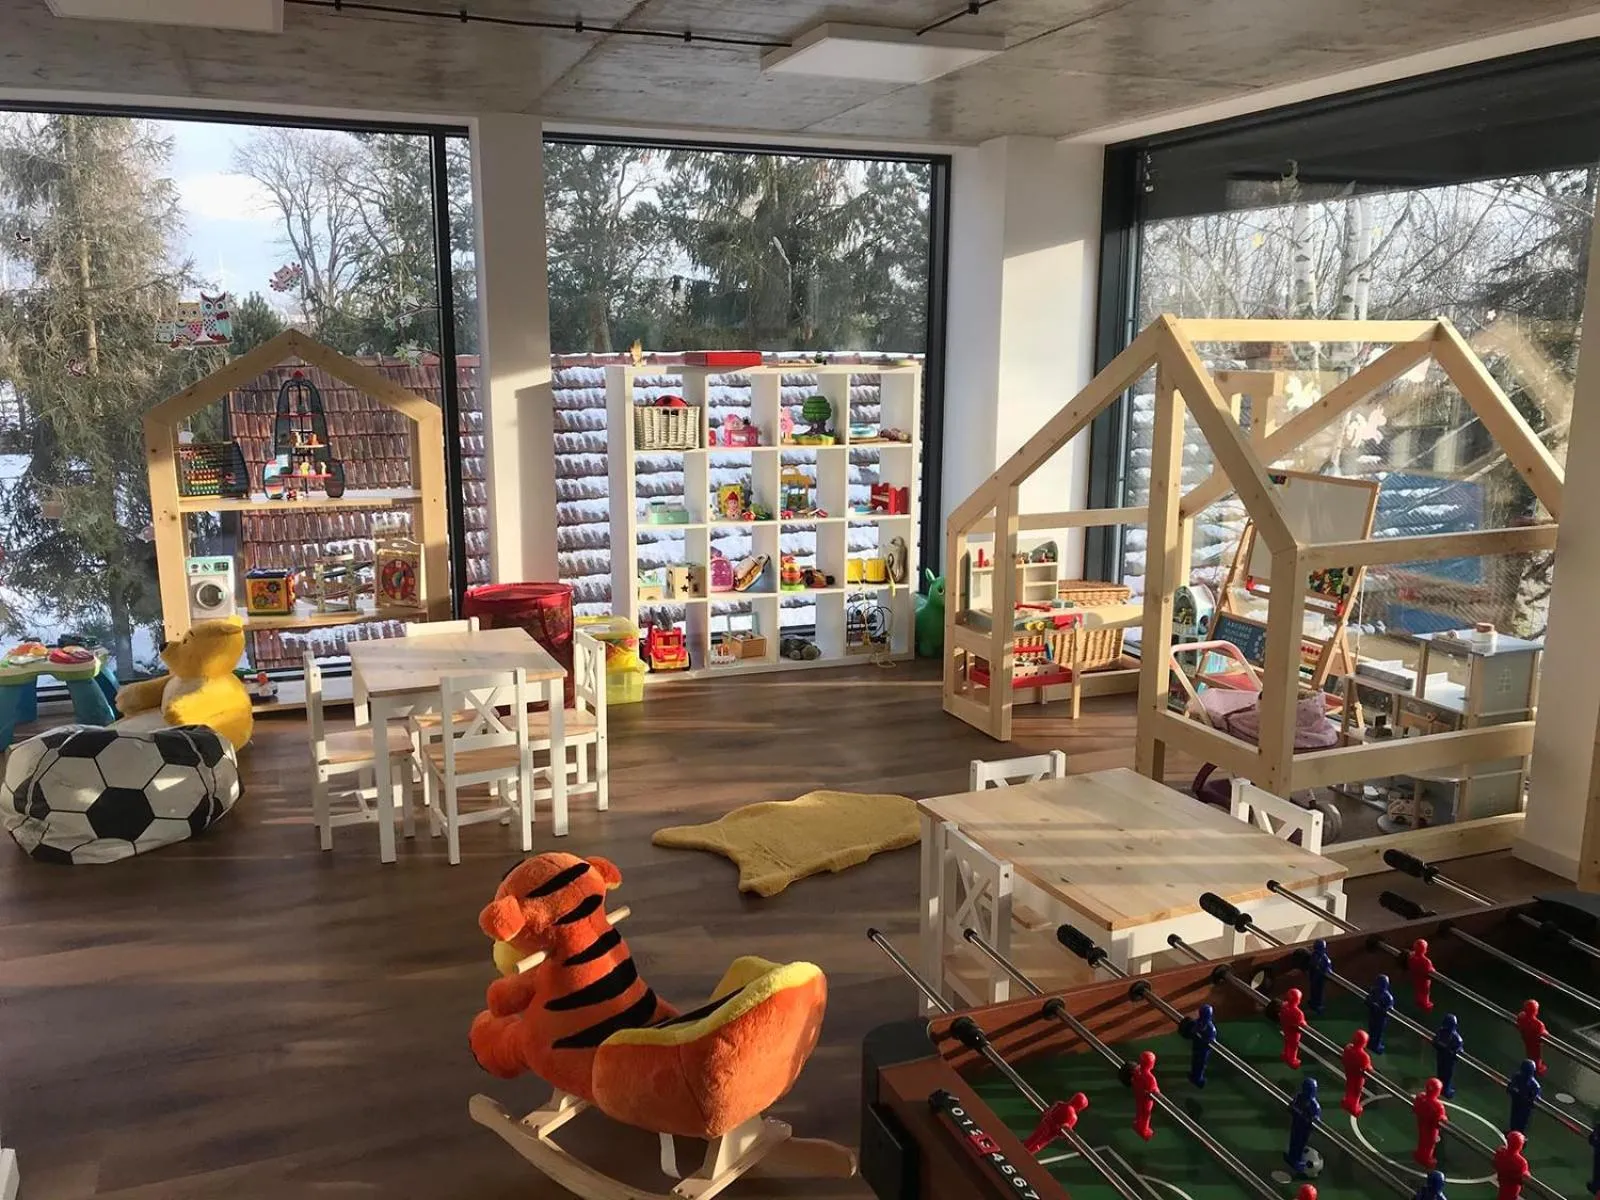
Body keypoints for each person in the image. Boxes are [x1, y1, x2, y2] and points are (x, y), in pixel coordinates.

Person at [1285, 1076, 1320, 1176]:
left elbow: (1316, 1119)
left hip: (1304, 1129)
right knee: (1293, 1140)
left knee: (1300, 1143)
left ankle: (1297, 1159)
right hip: (1296, 1124)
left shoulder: (1314, 1105)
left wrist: (1309, 1120)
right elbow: (1291, 1105)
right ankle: (1292, 1157)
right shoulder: (1299, 1097)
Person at [1412, 1078, 1447, 1169]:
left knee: (1422, 1139)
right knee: (1430, 1144)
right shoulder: (1438, 1106)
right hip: (1431, 1128)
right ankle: (1426, 1159)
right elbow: (1440, 1120)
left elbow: (1415, 1108)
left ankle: (1419, 1154)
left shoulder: (1421, 1097)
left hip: (1421, 1122)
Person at [1341, 1029, 1373, 1116]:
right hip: (1358, 1077)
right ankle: (1354, 1107)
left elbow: (1344, 1059)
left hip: (1349, 1073)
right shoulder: (1364, 1057)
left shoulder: (1348, 1048)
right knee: (1356, 1092)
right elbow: (1368, 1068)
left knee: (1349, 1087)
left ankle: (1347, 1101)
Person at [1432, 1014, 1463, 1098]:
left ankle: (1443, 1089)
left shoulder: (1443, 1033)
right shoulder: (1455, 1038)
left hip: (1444, 1058)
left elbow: (1435, 1042)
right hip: (1445, 1059)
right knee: (1444, 1074)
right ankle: (1444, 1090)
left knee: (1444, 1074)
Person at [1187, 1003, 1218, 1088]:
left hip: (1200, 1048)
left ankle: (1197, 1078)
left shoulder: (1201, 1024)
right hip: (1201, 1049)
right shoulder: (1210, 1027)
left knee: (1198, 1063)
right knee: (1198, 1063)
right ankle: (1197, 1078)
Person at [1506, 1060, 1541, 1134]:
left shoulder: (1534, 1085)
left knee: (1522, 1123)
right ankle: (1512, 1133)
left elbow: (1535, 1100)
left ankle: (1520, 1138)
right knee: (1514, 1119)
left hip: (1525, 1108)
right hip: (1516, 1102)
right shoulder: (1517, 1077)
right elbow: (1510, 1087)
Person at [1131, 1051, 1159, 1141]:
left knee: (1139, 1111)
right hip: (1146, 1099)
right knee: (1146, 1114)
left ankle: (1138, 1124)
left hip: (1138, 1095)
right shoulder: (1150, 1078)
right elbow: (1155, 1091)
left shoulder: (1137, 1070)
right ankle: (1143, 1130)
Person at [1492, 1130, 1529, 1200]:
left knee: (1502, 1194)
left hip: (1502, 1180)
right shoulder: (1521, 1162)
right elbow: (1525, 1177)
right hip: (1513, 1186)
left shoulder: (1501, 1152)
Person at [1515, 1000, 1548, 1075]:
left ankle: (1531, 1068)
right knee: (1536, 1056)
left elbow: (1518, 1022)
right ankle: (1536, 1070)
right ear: (1536, 1011)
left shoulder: (1521, 1016)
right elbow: (1545, 1034)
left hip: (1526, 1039)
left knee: (1529, 1053)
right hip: (1535, 1043)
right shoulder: (1538, 1024)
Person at [1279, 987, 1309, 1069]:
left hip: (1286, 1028)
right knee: (1293, 1046)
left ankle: (1285, 1054)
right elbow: (1302, 1024)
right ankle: (1292, 1060)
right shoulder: (1298, 1013)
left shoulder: (1284, 1006)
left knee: (1287, 1042)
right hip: (1294, 1032)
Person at [1366, 973, 1396, 1053]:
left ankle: (1373, 1044)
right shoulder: (1383, 995)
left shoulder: (1384, 995)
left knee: (1375, 1031)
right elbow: (1367, 1000)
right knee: (1374, 1031)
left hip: (1377, 1017)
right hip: (1377, 1017)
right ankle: (1372, 1044)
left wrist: (1376, 1007)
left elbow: (1390, 1009)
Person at [1306, 938, 1334, 1016]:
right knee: (1313, 992)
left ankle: (1318, 1007)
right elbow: (1311, 965)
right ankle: (1313, 1006)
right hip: (1314, 978)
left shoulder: (1325, 959)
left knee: (1319, 993)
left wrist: (1326, 972)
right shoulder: (1314, 956)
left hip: (1319, 979)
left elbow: (1328, 969)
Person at [1408, 938, 1436, 1011]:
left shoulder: (1412, 958)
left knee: (1418, 990)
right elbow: (1431, 970)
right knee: (1425, 992)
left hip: (1416, 977)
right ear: (1424, 950)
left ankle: (1418, 1002)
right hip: (1424, 979)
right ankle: (1425, 1005)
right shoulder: (1426, 961)